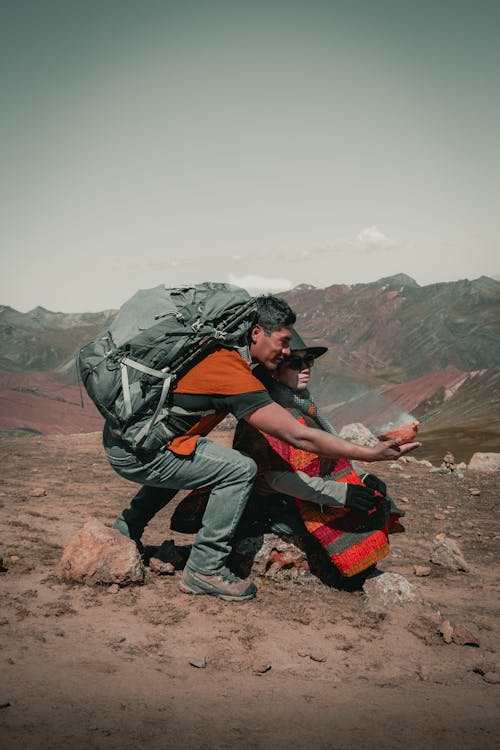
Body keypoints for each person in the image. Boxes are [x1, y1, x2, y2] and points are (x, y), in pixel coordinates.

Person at [104, 296, 420, 602]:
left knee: (184, 457)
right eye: (285, 346)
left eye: (306, 359)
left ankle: (123, 532)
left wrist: (360, 477)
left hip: (136, 439)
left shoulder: (227, 357)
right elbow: (299, 441)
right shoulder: (234, 374)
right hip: (136, 449)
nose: (288, 355)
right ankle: (204, 568)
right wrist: (370, 456)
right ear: (256, 333)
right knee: (240, 468)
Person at [231, 329, 406, 584]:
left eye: (308, 361)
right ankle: (345, 573)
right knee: (353, 512)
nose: (306, 369)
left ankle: (359, 566)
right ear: (274, 370)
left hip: (308, 493)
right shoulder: (264, 413)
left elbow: (331, 457)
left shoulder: (303, 406)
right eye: (296, 363)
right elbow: (275, 479)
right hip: (275, 505)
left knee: (376, 497)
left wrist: (363, 476)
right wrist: (341, 494)